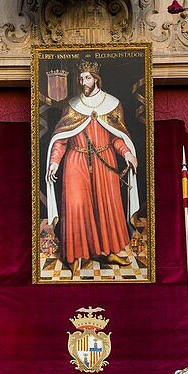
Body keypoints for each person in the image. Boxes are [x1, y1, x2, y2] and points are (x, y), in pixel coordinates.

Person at [45, 61, 139, 274]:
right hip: (75, 160)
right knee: (76, 207)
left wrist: (127, 153)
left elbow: (116, 138)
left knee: (107, 207)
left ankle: (109, 250)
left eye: (87, 78)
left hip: (104, 160)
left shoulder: (112, 104)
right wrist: (54, 162)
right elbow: (61, 139)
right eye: (81, 78)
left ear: (96, 78)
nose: (83, 82)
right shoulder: (72, 105)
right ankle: (75, 255)